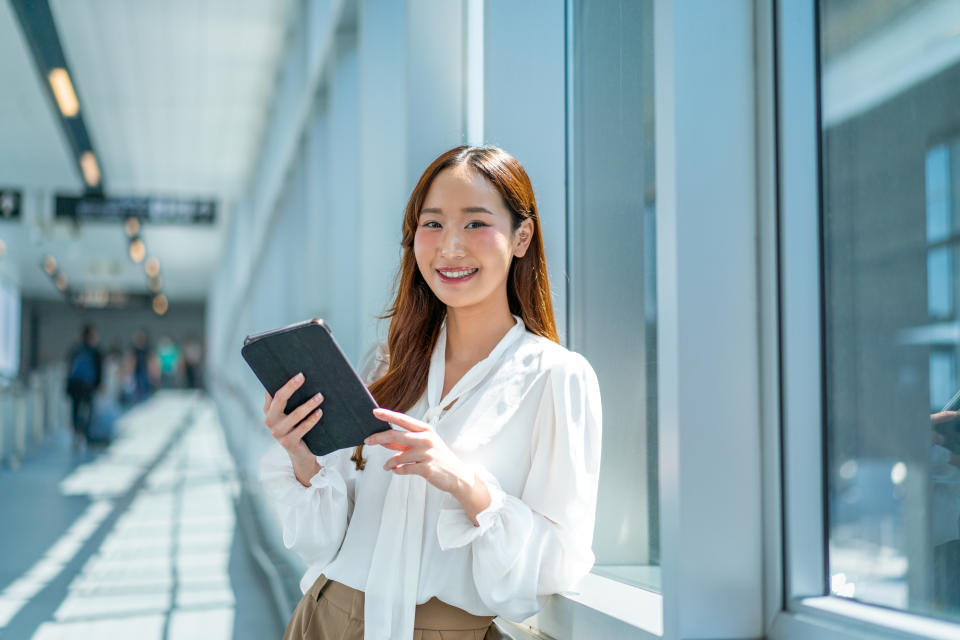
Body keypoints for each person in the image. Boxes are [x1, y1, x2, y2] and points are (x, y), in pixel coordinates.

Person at [259, 145, 602, 639]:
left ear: (522, 236)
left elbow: (560, 563)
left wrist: (465, 482)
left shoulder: (556, 377)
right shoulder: (387, 362)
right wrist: (300, 455)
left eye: (476, 223)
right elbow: (322, 540)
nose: (451, 247)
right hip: (326, 618)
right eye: (433, 224)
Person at [65, 324, 103, 449]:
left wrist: (67, 387)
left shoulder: (76, 350)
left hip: (75, 385)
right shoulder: (95, 351)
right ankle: (86, 435)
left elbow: (69, 369)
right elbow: (99, 370)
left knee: (75, 411)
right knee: (88, 410)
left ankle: (76, 433)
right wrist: (99, 385)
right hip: (88, 386)